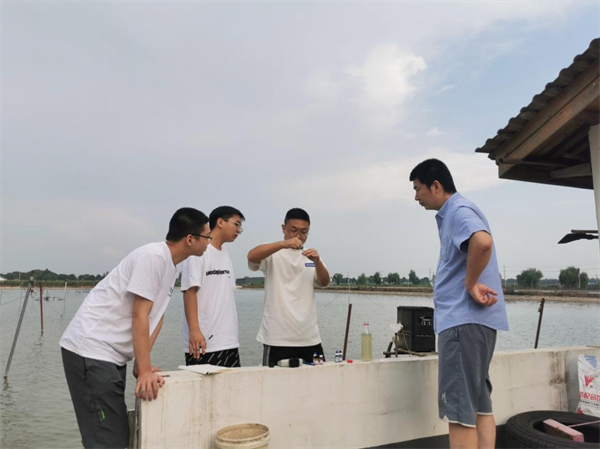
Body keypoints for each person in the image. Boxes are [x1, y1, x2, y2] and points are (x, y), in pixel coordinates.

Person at [60, 207, 211, 449]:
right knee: (107, 438)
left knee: (116, 433)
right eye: (207, 237)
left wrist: (143, 364)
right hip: (91, 350)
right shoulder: (153, 257)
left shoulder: (170, 265)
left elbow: (156, 316)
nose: (209, 242)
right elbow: (139, 315)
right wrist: (145, 371)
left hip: (110, 355)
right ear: (190, 239)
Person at [409, 159, 509, 449]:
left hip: (461, 324)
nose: (416, 197)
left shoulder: (457, 210)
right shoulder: (461, 210)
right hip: (478, 324)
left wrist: (469, 284)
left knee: (459, 413)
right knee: (480, 407)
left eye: (418, 189)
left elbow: (482, 242)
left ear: (436, 186)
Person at [247, 208, 330, 366]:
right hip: (277, 338)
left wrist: (318, 262)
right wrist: (283, 244)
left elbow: (324, 282)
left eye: (304, 232)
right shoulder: (272, 251)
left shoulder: (311, 256)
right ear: (283, 228)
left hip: (310, 337)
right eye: (293, 230)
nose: (298, 235)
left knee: (319, 378)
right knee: (275, 380)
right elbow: (251, 256)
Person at [180, 206, 245, 367]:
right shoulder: (198, 251)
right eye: (236, 224)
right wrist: (194, 331)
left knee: (231, 383)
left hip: (228, 341)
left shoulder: (224, 252)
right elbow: (189, 291)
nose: (239, 230)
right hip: (203, 342)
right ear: (220, 222)